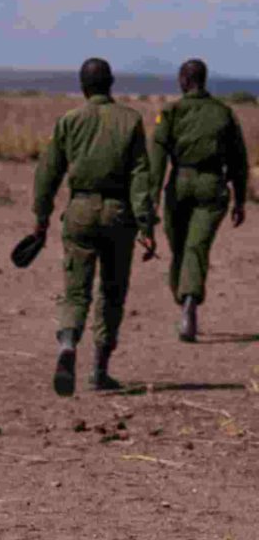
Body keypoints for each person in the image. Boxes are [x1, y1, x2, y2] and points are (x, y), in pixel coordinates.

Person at [32, 59, 156, 395]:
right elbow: (140, 176)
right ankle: (100, 369)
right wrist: (146, 225)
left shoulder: (70, 120)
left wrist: (41, 219)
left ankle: (68, 345)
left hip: (80, 212)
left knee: (76, 290)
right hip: (119, 216)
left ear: (83, 86)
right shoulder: (130, 120)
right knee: (112, 293)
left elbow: (48, 174)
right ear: (111, 83)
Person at [150, 59, 249, 342]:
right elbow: (239, 162)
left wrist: (150, 201)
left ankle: (186, 302)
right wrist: (240, 200)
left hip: (178, 184)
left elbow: (156, 161)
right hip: (213, 186)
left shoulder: (171, 112)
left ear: (183, 80)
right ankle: (188, 300)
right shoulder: (224, 113)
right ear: (204, 80)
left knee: (180, 248)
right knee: (196, 247)